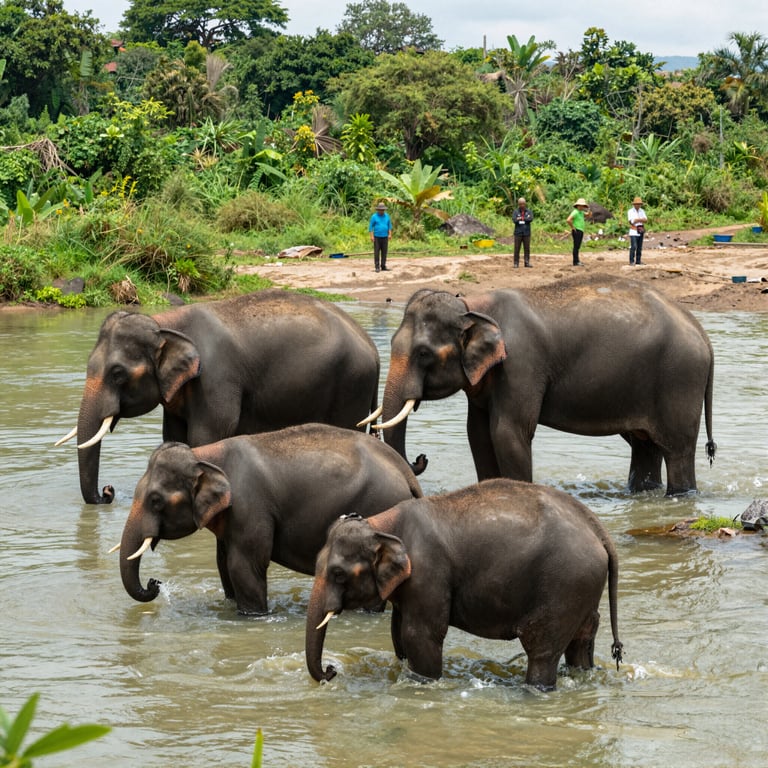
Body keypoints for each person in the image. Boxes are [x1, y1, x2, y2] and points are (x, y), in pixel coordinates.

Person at [369, 201, 392, 272]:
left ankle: (383, 266)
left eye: (383, 210)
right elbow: (370, 227)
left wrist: (390, 234)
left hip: (385, 237)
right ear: (378, 210)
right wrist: (371, 236)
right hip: (377, 237)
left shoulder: (387, 216)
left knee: (384, 252)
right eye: (380, 210)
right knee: (376, 252)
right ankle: (377, 267)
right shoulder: (374, 217)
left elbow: (389, 226)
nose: (382, 211)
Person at [566, 198, 591, 266]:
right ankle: (576, 262)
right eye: (580, 205)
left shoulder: (581, 212)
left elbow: (588, 215)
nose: (581, 207)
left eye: (583, 206)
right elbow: (568, 220)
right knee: (576, 246)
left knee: (577, 246)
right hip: (577, 230)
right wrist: (572, 227)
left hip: (580, 230)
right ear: (577, 206)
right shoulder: (575, 212)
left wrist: (589, 212)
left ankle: (576, 261)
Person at [512, 197, 534, 268]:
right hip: (518, 233)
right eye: (520, 204)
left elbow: (530, 219)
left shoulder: (529, 211)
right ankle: (516, 263)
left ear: (525, 204)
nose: (522, 205)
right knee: (517, 248)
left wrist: (521, 218)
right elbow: (514, 220)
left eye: (523, 204)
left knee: (527, 248)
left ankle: (527, 262)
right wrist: (524, 218)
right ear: (518, 204)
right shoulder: (516, 211)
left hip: (526, 233)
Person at [628, 196, 648, 265]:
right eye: (637, 204)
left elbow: (646, 220)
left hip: (640, 229)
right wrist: (640, 219)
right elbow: (632, 221)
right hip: (633, 231)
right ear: (634, 204)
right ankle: (631, 261)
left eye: (639, 204)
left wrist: (637, 220)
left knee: (639, 246)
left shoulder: (642, 211)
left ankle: (638, 261)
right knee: (633, 246)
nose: (638, 205)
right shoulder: (630, 211)